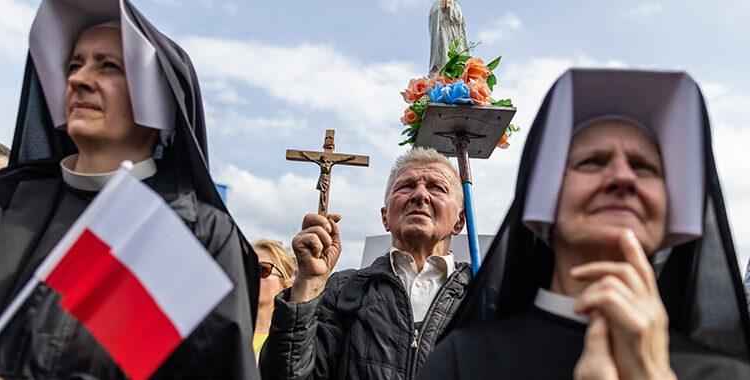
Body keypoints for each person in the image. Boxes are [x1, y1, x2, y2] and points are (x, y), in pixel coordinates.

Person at [0, 1, 259, 379]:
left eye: (108, 66)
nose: (78, 79)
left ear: (157, 98)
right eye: (74, 65)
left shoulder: (191, 234)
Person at [417, 69, 750, 379]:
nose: (622, 177)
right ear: (546, 198)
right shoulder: (463, 362)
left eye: (643, 166)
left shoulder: (728, 374)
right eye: (593, 162)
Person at [259, 147, 472, 380]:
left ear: (460, 221)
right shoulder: (343, 289)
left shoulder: (480, 293)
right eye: (406, 186)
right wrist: (308, 282)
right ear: (385, 217)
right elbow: (286, 375)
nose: (420, 195)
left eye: (436, 188)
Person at [252, 239, 297, 359]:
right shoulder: (222, 332)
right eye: (247, 267)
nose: (252, 275)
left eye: (262, 270)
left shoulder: (292, 340)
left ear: (284, 286)